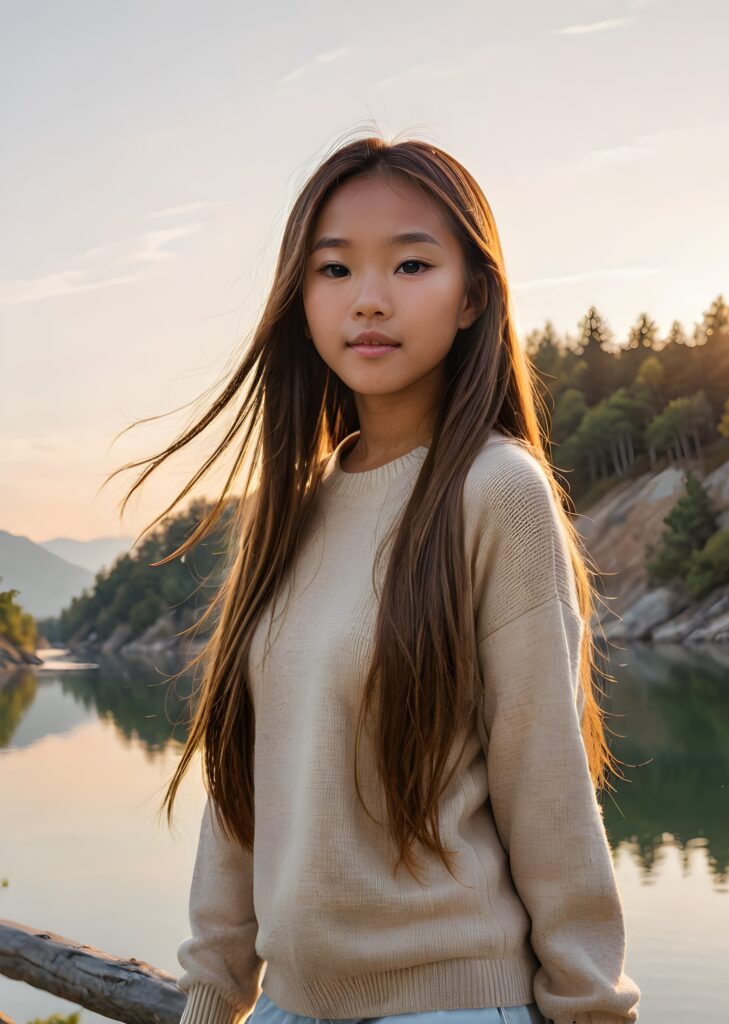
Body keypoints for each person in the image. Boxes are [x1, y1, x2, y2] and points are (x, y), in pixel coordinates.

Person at [113, 133, 641, 1024]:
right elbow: (241, 794)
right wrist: (212, 997)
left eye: (409, 264)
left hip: (454, 1005)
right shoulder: (291, 507)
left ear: (473, 294)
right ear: (300, 298)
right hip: (289, 1008)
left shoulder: (497, 491)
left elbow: (545, 784)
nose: (368, 300)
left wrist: (590, 1009)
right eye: (333, 270)